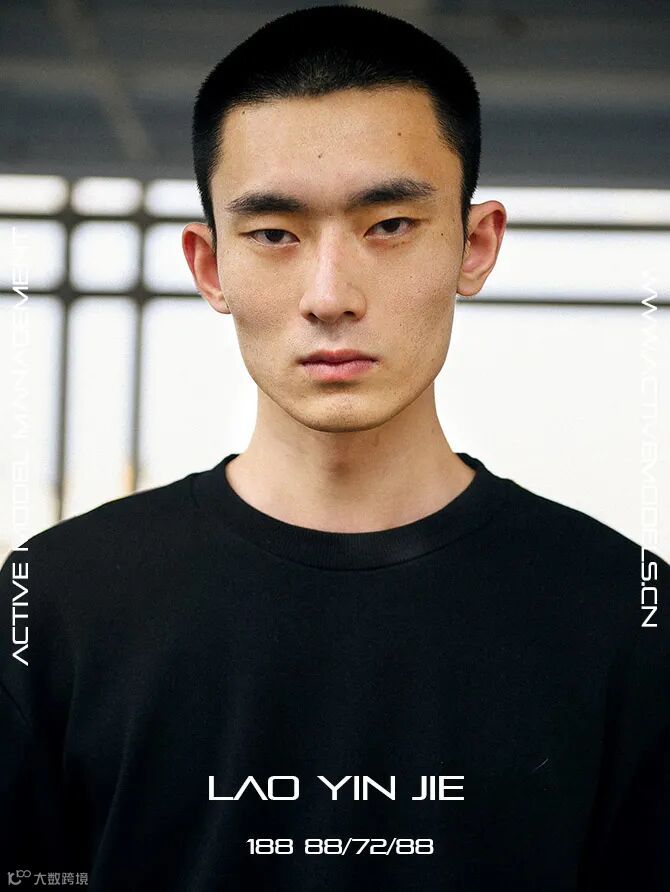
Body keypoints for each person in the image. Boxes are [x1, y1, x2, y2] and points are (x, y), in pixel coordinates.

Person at [1, 4, 668, 890]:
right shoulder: (53, 603)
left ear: (475, 246)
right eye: (274, 234)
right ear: (210, 267)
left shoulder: (627, 613)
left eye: (389, 225)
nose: (329, 295)